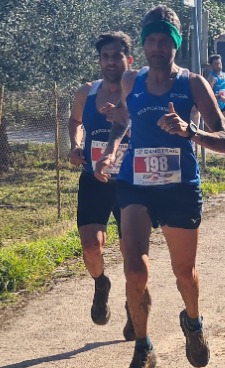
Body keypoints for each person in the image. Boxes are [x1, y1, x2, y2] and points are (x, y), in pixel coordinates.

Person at [93, 5, 225, 368]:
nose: (158, 47)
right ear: (144, 45)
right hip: (135, 184)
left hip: (179, 187)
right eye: (151, 40)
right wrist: (110, 153)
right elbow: (123, 124)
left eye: (165, 41)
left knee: (184, 273)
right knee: (134, 270)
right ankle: (143, 348)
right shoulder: (131, 80)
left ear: (176, 45)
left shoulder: (193, 84)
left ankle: (193, 321)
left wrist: (190, 131)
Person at [67, 31, 136, 340]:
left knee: (131, 250)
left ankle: (134, 306)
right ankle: (101, 283)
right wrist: (75, 145)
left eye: (116, 56)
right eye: (105, 56)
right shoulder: (87, 92)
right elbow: (75, 121)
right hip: (94, 180)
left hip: (130, 182)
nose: (110, 62)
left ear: (128, 60)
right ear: (99, 61)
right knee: (90, 246)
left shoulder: (139, 93)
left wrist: (124, 123)